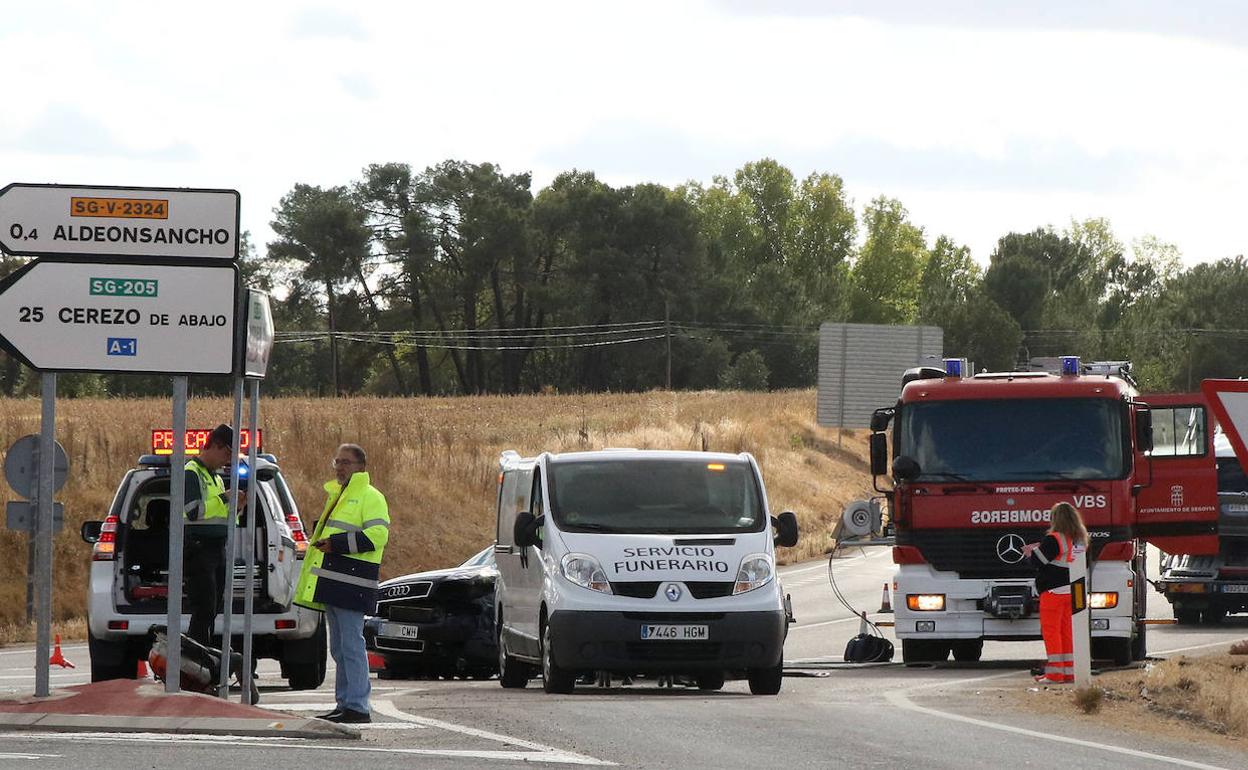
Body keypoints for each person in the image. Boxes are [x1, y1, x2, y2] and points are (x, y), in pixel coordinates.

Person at [295, 443, 390, 725]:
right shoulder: (339, 495)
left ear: (361, 467)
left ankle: (358, 706)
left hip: (353, 582)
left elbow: (377, 536)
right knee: (339, 647)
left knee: (351, 645)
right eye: (337, 461)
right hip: (335, 581)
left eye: (346, 462)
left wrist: (335, 544)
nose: (339, 467)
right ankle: (345, 703)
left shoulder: (369, 496)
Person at [183, 424, 244, 647]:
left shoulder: (215, 478)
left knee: (214, 606)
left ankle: (204, 652)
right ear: (215, 446)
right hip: (199, 548)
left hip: (217, 548)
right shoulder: (192, 472)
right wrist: (226, 499)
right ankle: (195, 655)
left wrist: (237, 507)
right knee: (204, 606)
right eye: (227, 453)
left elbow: (220, 516)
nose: (228, 460)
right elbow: (194, 510)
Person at [1024, 502, 1088, 684]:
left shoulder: (1054, 539)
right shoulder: (1080, 538)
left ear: (1055, 519)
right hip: (1074, 591)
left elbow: (1038, 561)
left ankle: (1054, 674)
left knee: (1052, 632)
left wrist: (1030, 553)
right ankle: (1069, 672)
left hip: (1053, 592)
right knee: (1067, 632)